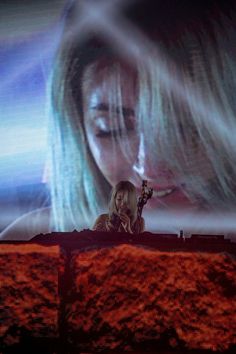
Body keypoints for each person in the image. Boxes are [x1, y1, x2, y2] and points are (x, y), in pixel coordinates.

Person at [1, 0, 236, 240]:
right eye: (111, 129)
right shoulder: (33, 244)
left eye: (184, 127)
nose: (148, 168)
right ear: (78, 125)